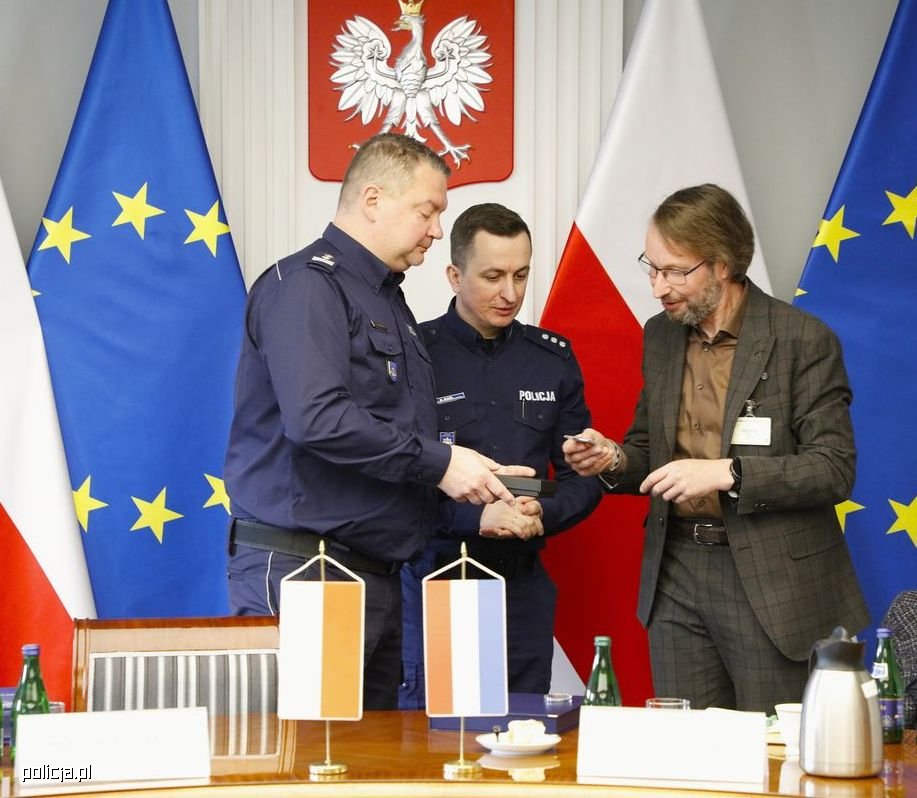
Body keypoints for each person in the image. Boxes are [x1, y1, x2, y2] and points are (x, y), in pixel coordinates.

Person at [223, 134, 531, 710]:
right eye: (427, 211)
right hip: (309, 570)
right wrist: (443, 464)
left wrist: (476, 499)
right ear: (372, 199)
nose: (437, 230)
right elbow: (317, 419)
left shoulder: (388, 301)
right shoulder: (307, 287)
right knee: (309, 751)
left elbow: (395, 444)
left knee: (364, 756)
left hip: (376, 576)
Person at [563, 184, 869, 714]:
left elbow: (833, 468)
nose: (658, 287)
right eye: (652, 268)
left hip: (770, 580)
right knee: (686, 746)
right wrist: (613, 458)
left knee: (770, 750)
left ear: (723, 265)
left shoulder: (802, 340)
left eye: (675, 271)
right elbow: (650, 452)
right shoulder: (661, 336)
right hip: (676, 571)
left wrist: (728, 472)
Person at [400, 203, 602, 708]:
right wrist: (476, 518)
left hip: (522, 583)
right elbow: (394, 475)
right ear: (454, 275)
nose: (510, 293)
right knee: (434, 735)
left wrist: (542, 513)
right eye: (493, 276)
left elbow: (583, 477)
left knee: (522, 732)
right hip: (438, 574)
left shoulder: (551, 359)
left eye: (521, 275)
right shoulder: (414, 355)